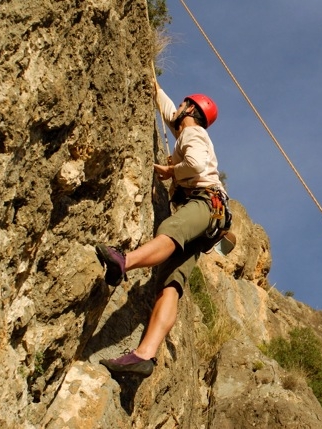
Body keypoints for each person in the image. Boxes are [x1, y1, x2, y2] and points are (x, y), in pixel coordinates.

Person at [95, 80, 232, 377]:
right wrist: (154, 84)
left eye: (184, 105)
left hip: (206, 202)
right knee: (170, 283)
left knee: (172, 228)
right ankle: (144, 355)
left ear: (191, 110)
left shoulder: (193, 133)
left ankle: (124, 262)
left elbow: (194, 166)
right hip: (214, 218)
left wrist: (171, 171)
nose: (178, 108)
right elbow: (168, 109)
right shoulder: (188, 131)